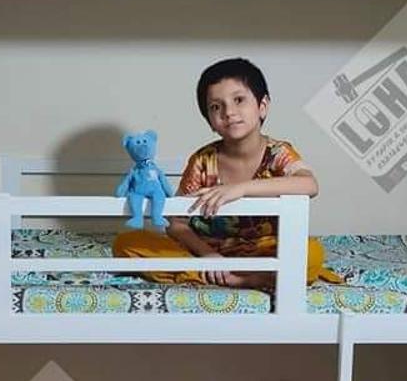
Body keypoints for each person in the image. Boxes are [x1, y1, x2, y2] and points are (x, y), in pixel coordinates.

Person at [113, 58, 343, 289]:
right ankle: (216, 275)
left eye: (239, 100)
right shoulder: (203, 160)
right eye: (216, 106)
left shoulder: (278, 153)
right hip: (210, 252)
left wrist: (240, 189)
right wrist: (208, 255)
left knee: (311, 253)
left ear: (262, 106)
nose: (229, 112)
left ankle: (248, 278)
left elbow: (309, 184)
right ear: (210, 122)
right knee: (127, 243)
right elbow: (176, 223)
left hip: (265, 253)